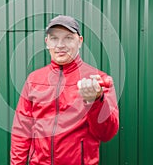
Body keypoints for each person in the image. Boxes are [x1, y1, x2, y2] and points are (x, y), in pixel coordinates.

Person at [10, 15, 119, 165]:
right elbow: (21, 131)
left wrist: (96, 102)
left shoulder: (98, 80)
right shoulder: (34, 79)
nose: (60, 45)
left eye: (68, 38)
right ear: (47, 42)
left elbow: (106, 134)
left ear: (80, 41)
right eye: (54, 38)